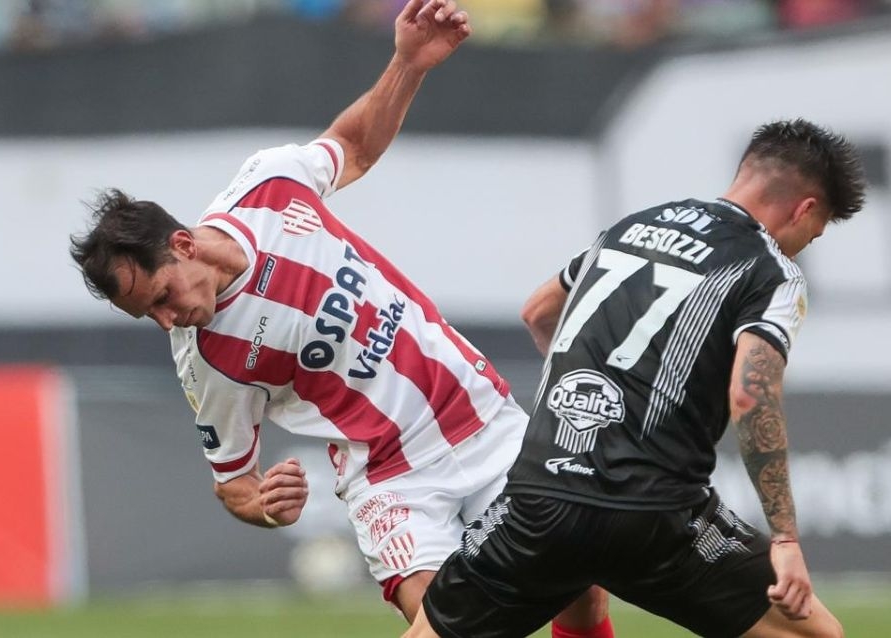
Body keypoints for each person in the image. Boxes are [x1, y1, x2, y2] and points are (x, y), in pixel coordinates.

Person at [68, 1, 613, 636]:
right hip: (393, 481)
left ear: (184, 245)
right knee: (450, 625)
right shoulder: (207, 359)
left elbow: (352, 146)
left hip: (481, 416)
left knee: (581, 590)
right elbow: (233, 481)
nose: (167, 321)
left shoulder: (267, 187)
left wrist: (408, 64)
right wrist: (266, 505)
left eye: (162, 296)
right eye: (149, 316)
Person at [404, 118, 866, 638]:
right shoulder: (771, 270)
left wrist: (587, 389)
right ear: (804, 209)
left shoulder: (628, 230)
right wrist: (785, 539)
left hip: (540, 500)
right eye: (813, 233)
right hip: (656, 517)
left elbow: (538, 311)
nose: (802, 247)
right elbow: (750, 394)